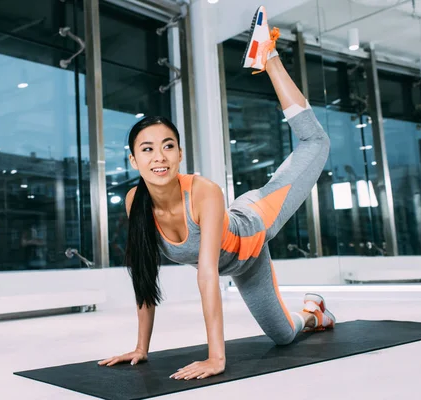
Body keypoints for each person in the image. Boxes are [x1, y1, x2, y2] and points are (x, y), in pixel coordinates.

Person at [99, 5, 335, 381]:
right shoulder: (135, 203)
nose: (159, 157)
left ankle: (269, 56)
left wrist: (216, 358)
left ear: (179, 154)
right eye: (147, 149)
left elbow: (207, 274)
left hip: (253, 225)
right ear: (133, 160)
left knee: (316, 143)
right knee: (285, 335)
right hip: (245, 268)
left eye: (168, 146)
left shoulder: (204, 192)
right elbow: (143, 272)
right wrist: (141, 348)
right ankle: (314, 312)